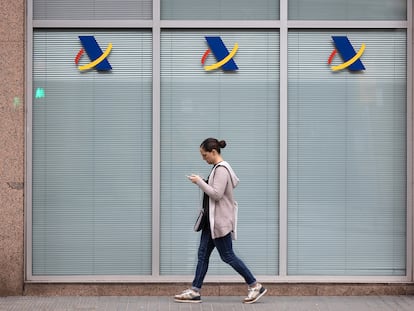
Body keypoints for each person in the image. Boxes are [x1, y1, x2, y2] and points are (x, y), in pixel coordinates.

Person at [174, 138, 267, 304]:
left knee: (228, 256)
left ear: (213, 152)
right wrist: (203, 181)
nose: (204, 158)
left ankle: (255, 285)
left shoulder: (222, 170)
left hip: (219, 222)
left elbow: (216, 194)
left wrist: (199, 182)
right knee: (203, 255)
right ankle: (195, 290)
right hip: (211, 222)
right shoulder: (217, 169)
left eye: (204, 155)